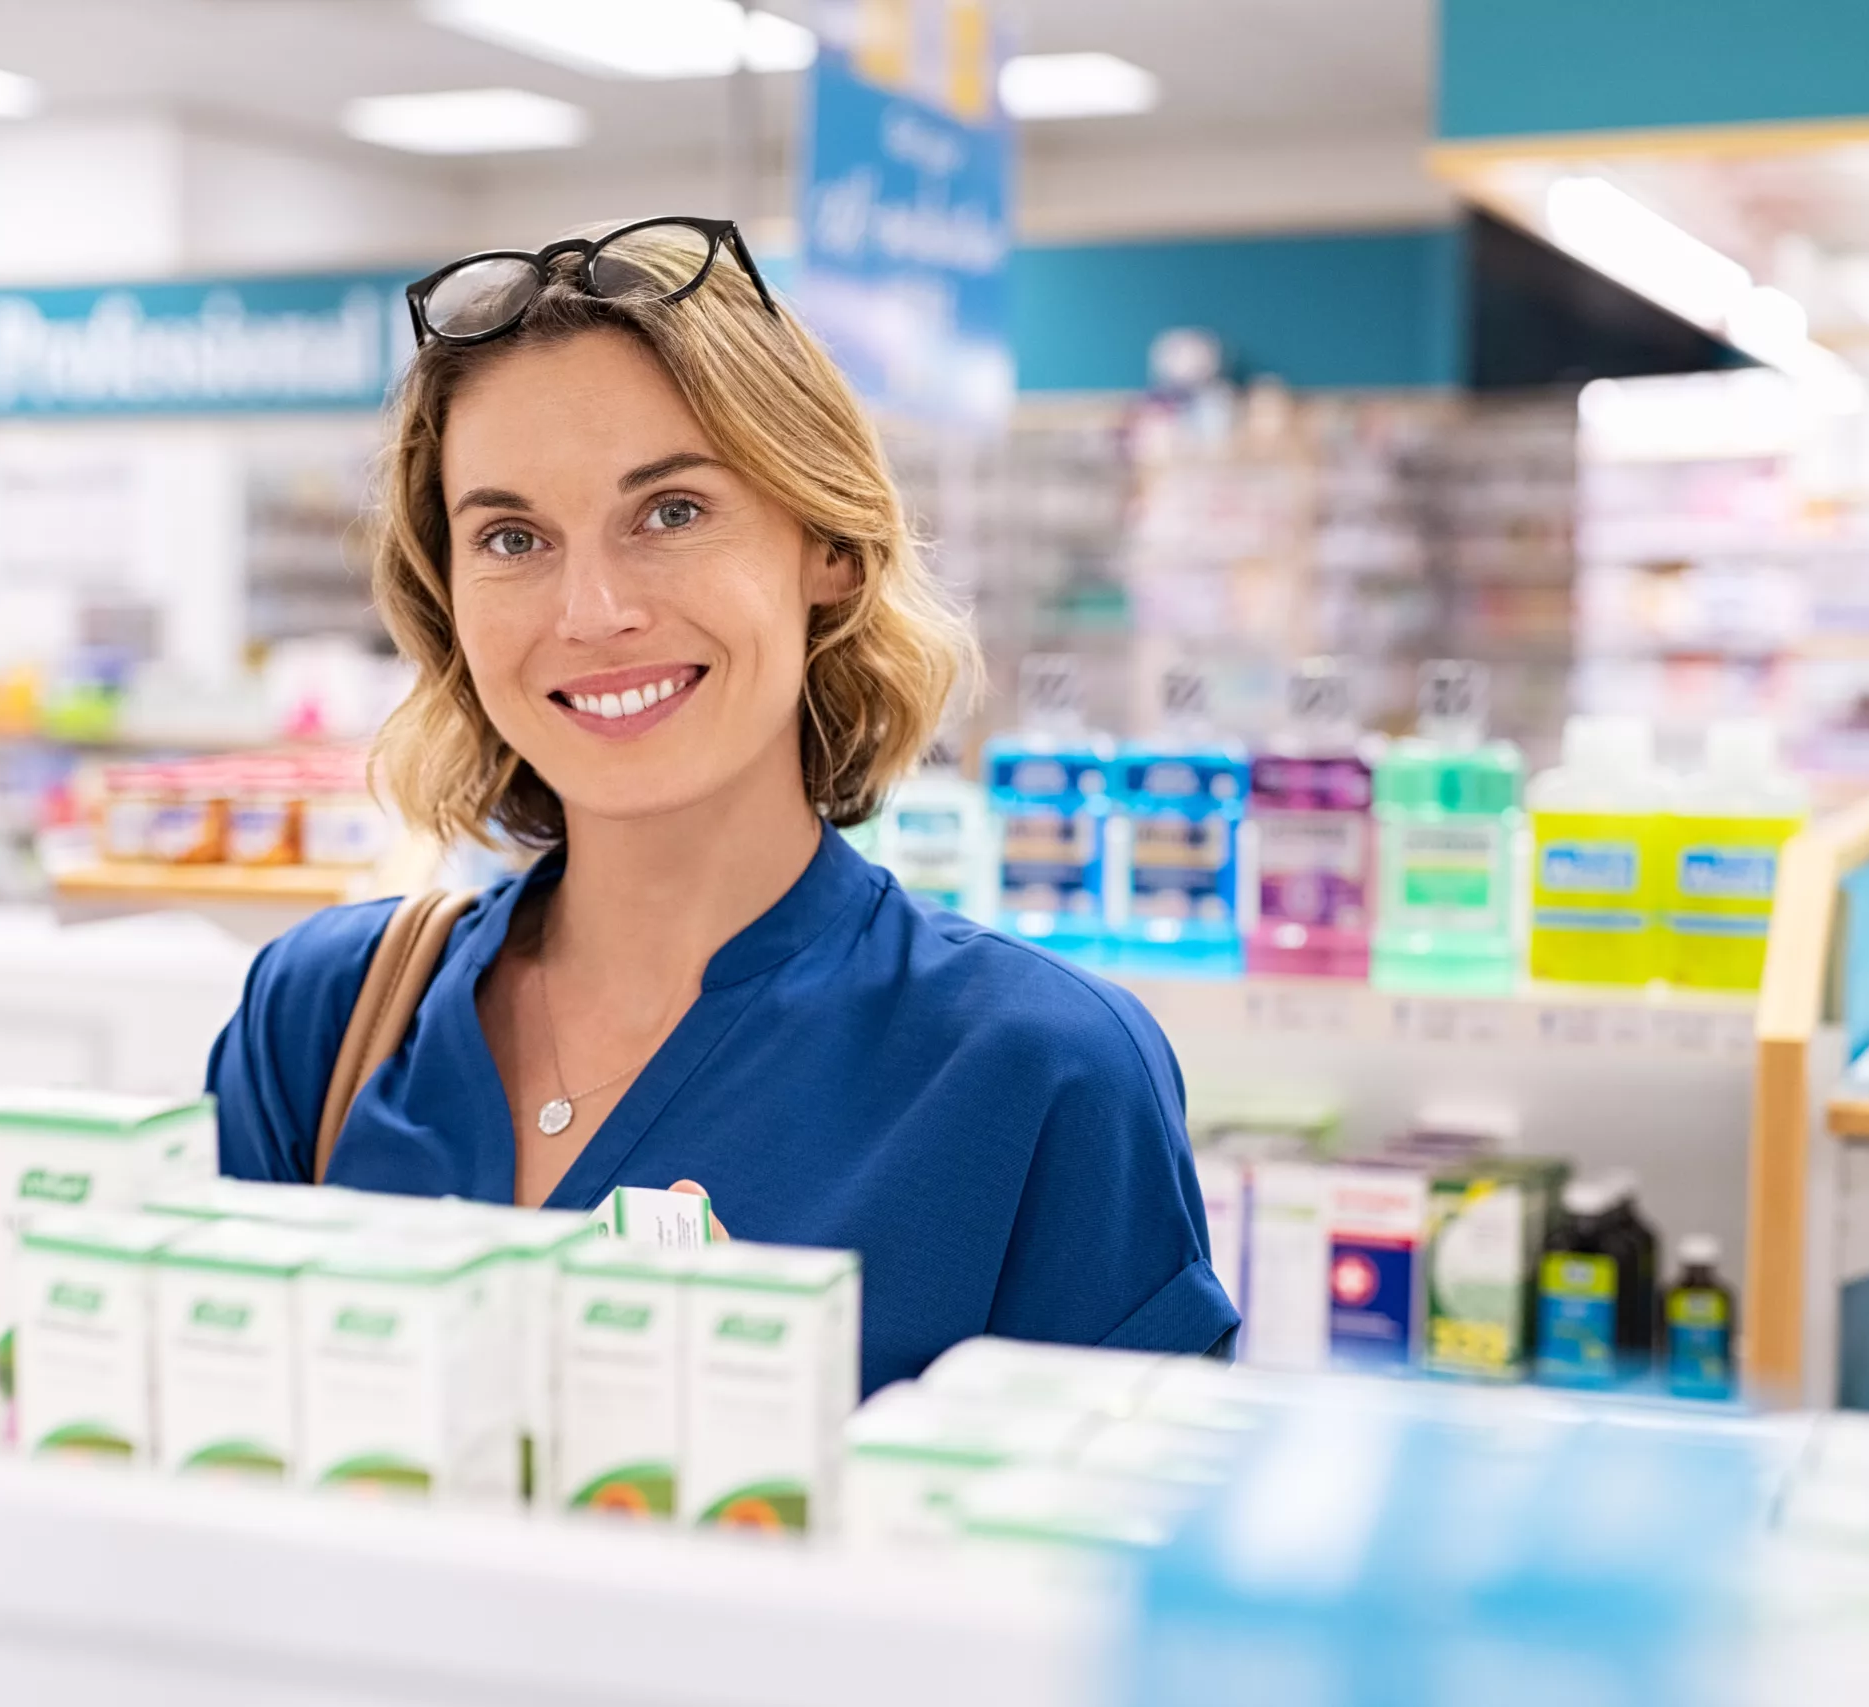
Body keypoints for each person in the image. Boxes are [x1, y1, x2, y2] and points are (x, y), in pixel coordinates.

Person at [209, 217, 1237, 1390]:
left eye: (671, 512)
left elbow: (1102, 1557)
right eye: (510, 536)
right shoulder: (327, 1021)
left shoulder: (1035, 1074)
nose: (590, 610)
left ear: (828, 544)